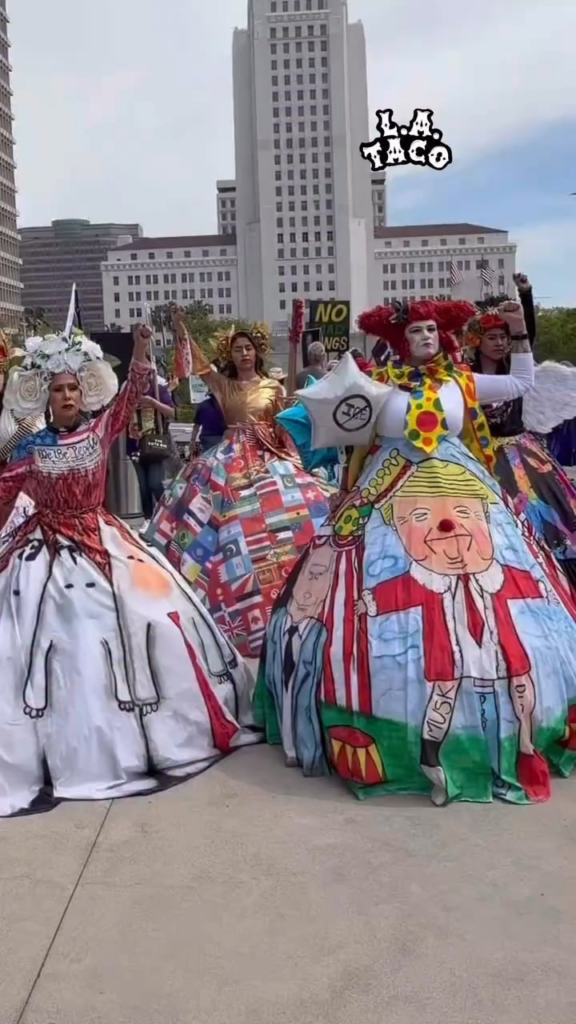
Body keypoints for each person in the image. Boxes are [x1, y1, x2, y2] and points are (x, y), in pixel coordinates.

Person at [256, 298, 576, 806]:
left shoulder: (460, 380)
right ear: (401, 339)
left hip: (460, 484)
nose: (426, 337)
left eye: (432, 330)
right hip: (388, 492)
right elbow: (320, 411)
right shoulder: (376, 380)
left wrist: (519, 335)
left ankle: (518, 736)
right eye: (417, 331)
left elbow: (519, 384)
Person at [0, 326, 259, 817]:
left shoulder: (99, 430)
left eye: (74, 388)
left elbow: (131, 398)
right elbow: (4, 490)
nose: (67, 396)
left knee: (154, 614)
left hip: (103, 539)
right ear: (46, 398)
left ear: (84, 391)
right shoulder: (30, 449)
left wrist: (140, 353)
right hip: (44, 549)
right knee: (51, 642)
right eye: (58, 390)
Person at [143, 308, 333, 664]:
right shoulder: (223, 386)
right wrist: (181, 328)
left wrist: (293, 455)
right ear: (230, 355)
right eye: (237, 349)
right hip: (228, 456)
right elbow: (199, 365)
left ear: (257, 352)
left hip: (265, 455)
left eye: (248, 348)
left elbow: (283, 428)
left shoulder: (273, 387)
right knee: (216, 519)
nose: (243, 354)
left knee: (277, 519)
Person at [466, 273, 576, 589]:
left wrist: (525, 294)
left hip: (522, 457)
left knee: (548, 519)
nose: (501, 343)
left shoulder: (516, 370)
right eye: (492, 338)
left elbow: (525, 332)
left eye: (504, 337)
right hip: (482, 456)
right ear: (477, 342)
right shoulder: (467, 376)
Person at [127, 354, 175, 527]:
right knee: (143, 486)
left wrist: (153, 402)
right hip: (135, 444)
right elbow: (117, 415)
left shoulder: (158, 390)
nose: (142, 376)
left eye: (146, 372)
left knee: (155, 483)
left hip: (155, 442)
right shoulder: (127, 390)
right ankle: (148, 520)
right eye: (139, 372)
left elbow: (173, 412)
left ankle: (168, 515)